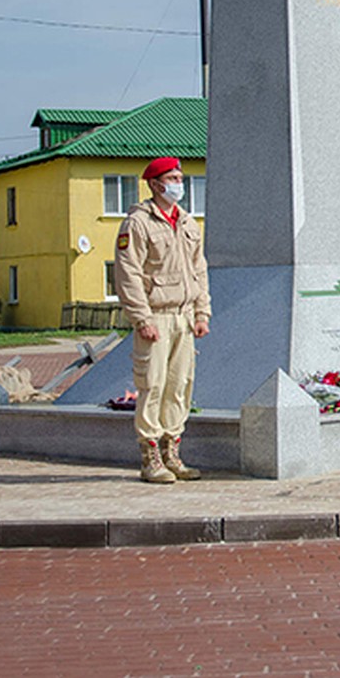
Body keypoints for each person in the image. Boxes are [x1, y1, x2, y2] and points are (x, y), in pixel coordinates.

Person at [114, 156, 212, 483]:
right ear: (155, 184)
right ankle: (150, 456)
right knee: (152, 385)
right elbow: (128, 274)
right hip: (156, 316)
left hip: (184, 316)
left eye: (180, 178)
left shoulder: (187, 222)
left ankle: (173, 452)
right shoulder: (138, 223)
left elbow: (199, 271)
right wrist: (142, 318)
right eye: (172, 178)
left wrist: (202, 313)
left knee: (180, 386)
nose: (178, 185)